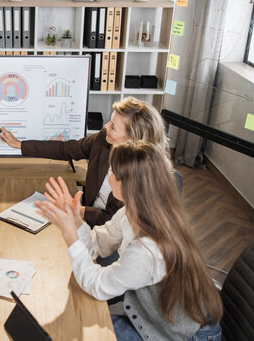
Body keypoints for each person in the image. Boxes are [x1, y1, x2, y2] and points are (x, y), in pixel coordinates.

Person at [35, 142, 222, 341]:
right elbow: (98, 245)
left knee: (77, 328)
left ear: (127, 183)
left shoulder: (148, 249)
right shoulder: (133, 211)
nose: (108, 176)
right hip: (153, 316)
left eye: (112, 171)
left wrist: (70, 235)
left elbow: (98, 286)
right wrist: (76, 220)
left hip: (177, 333)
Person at [0, 97, 168, 228]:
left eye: (113, 127)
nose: (105, 127)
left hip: (107, 236)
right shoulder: (105, 139)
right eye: (110, 121)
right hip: (81, 219)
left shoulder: (142, 177)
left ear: (133, 139)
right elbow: (67, 149)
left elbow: (110, 220)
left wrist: (74, 210)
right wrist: (20, 144)